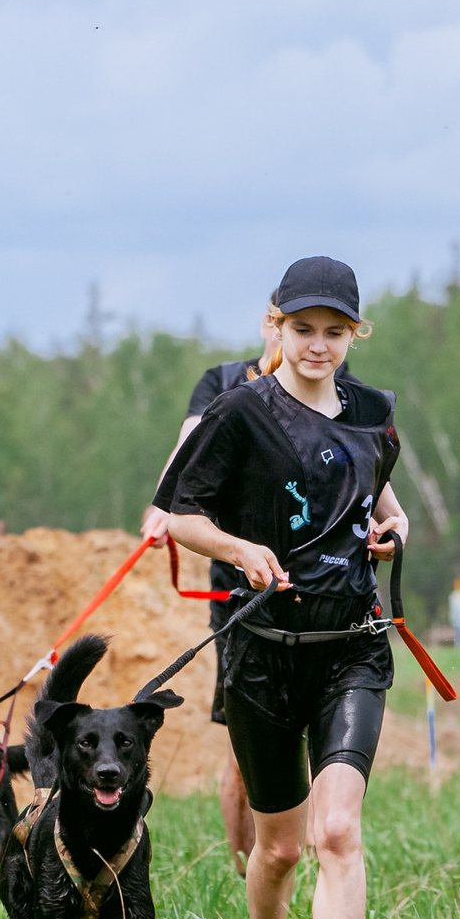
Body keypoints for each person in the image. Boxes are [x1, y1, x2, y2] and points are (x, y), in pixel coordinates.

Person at [158, 257, 410, 919]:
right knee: (280, 851)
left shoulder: (372, 412)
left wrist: (392, 535)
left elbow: (389, 510)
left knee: (336, 832)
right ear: (277, 326)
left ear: (356, 334)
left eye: (335, 332)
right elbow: (180, 517)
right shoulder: (240, 412)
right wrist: (241, 550)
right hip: (263, 653)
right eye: (303, 329)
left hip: (351, 650)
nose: (318, 346)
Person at [142, 310, 287, 875]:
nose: (298, 339)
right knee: (242, 748)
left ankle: (318, 854)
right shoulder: (224, 382)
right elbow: (189, 445)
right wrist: (164, 505)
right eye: (290, 324)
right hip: (236, 588)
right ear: (270, 324)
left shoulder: (337, 390)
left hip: (315, 587)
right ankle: (241, 868)